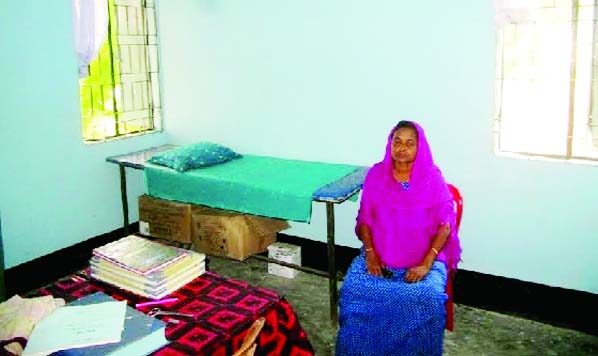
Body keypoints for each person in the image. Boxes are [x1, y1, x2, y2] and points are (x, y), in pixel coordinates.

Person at [335, 120, 461, 356]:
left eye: (409, 143)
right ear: (390, 145)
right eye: (397, 141)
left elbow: (445, 224)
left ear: (419, 147)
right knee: (353, 290)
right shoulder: (376, 175)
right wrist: (371, 254)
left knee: (427, 296)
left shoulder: (432, 177)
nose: (402, 148)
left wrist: (426, 263)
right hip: (380, 254)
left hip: (424, 258)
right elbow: (365, 219)